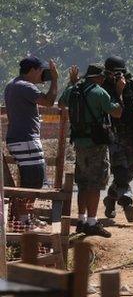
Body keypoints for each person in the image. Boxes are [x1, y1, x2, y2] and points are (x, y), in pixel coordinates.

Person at [59, 64, 124, 237]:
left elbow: (61, 102)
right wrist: (119, 92)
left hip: (79, 143)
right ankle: (92, 222)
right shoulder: (99, 92)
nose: (103, 80)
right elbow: (116, 112)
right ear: (97, 78)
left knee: (82, 182)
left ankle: (81, 221)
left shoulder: (73, 90)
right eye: (102, 77)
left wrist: (71, 84)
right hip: (96, 145)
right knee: (95, 183)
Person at [3, 56, 58, 228]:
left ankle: (26, 217)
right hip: (26, 139)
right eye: (41, 72)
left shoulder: (13, 84)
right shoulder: (25, 86)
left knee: (30, 179)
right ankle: (24, 220)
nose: (43, 75)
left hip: (19, 139)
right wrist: (54, 80)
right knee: (33, 180)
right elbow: (48, 102)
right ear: (33, 70)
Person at [101, 56, 133, 223]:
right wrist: (117, 91)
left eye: (119, 73)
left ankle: (110, 199)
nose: (117, 77)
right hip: (113, 134)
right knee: (120, 171)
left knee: (130, 171)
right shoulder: (102, 86)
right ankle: (126, 202)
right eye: (113, 73)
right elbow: (108, 107)